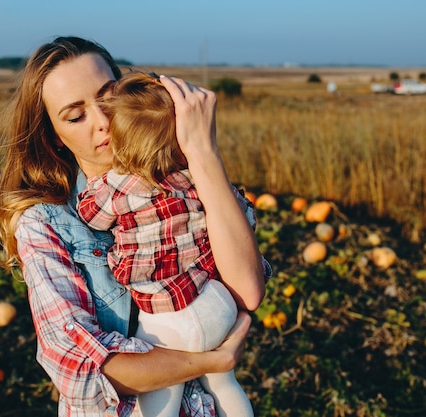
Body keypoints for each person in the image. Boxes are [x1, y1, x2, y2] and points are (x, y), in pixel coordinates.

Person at [0, 36, 267, 417]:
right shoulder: (46, 223)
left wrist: (203, 152)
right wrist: (209, 362)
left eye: (107, 97)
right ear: (55, 137)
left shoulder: (184, 174)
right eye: (76, 115)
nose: (102, 122)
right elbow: (80, 374)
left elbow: (247, 291)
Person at [77, 71, 270, 417]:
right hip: (216, 305)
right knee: (225, 384)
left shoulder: (117, 187)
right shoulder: (194, 178)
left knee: (158, 397)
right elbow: (243, 217)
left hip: (165, 324)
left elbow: (92, 215)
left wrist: (96, 182)